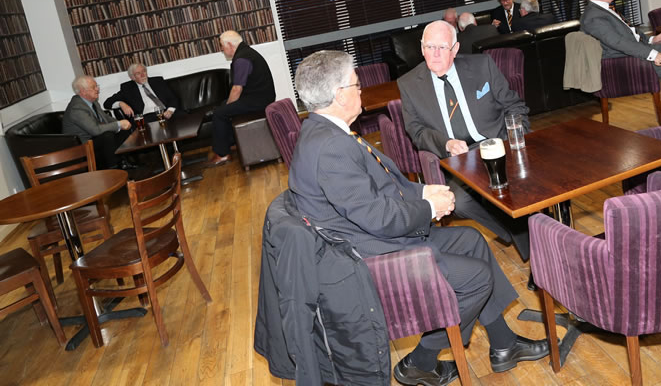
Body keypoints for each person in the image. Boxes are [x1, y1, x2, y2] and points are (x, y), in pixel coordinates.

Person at [290, 50, 549, 385]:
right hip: (371, 259)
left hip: (371, 238)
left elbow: (378, 189)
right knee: (476, 278)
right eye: (356, 85)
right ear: (339, 95)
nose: (360, 91)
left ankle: (503, 344)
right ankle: (421, 358)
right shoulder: (332, 147)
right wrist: (429, 209)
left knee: (471, 240)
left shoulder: (325, 133)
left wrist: (425, 191)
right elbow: (378, 217)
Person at [398, 20, 531, 262]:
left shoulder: (481, 66)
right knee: (459, 202)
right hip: (458, 158)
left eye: (442, 47)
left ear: (455, 49)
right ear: (421, 48)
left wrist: (517, 137)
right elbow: (416, 131)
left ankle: (531, 245)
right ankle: (517, 232)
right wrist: (445, 143)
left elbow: (514, 105)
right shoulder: (409, 84)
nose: (435, 54)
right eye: (429, 47)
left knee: (518, 187)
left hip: (497, 145)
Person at [209, 30, 276, 166]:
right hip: (259, 96)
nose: (221, 49)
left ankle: (222, 154)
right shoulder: (246, 52)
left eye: (222, 46)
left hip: (258, 100)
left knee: (219, 113)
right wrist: (227, 105)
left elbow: (237, 89)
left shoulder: (242, 59)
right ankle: (231, 142)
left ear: (229, 45)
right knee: (222, 107)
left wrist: (227, 107)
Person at [62, 75, 135, 170]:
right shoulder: (77, 108)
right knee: (107, 136)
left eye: (97, 86)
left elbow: (106, 118)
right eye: (93, 87)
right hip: (82, 146)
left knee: (122, 130)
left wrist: (121, 123)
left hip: (94, 139)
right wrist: (119, 124)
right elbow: (95, 130)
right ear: (83, 91)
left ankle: (123, 162)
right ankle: (113, 168)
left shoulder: (93, 102)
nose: (97, 89)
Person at [103, 63, 180, 121]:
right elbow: (107, 103)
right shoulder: (127, 88)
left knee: (181, 116)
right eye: (138, 73)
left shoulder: (158, 81)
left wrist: (170, 111)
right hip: (147, 117)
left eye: (144, 71)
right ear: (132, 77)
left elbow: (172, 98)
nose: (143, 75)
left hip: (166, 112)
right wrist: (121, 104)